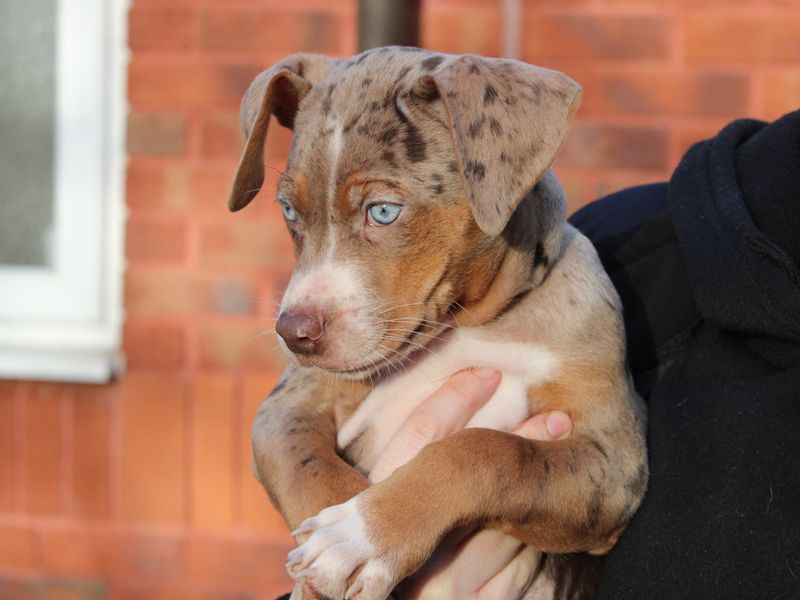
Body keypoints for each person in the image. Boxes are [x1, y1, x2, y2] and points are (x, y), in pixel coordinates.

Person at [282, 111, 800, 598]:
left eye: (383, 210)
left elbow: (609, 488)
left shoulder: (581, 295)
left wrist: (451, 480)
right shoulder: (620, 241)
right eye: (291, 211)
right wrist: (349, 549)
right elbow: (282, 424)